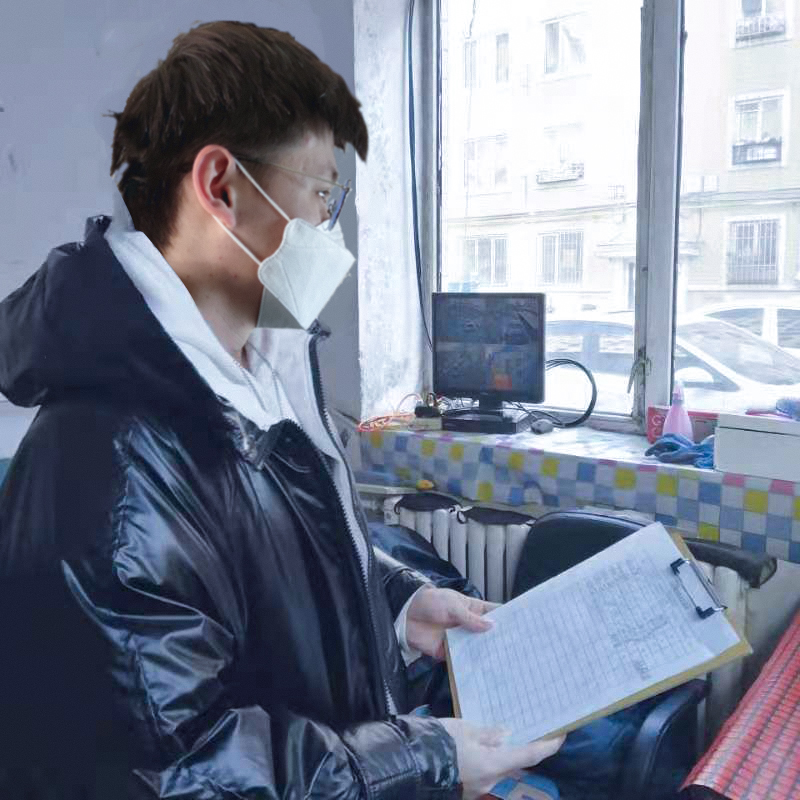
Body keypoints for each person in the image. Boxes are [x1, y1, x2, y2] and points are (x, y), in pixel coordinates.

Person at [0, 21, 563, 799]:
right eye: (322, 194)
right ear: (221, 187)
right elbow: (183, 773)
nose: (332, 231)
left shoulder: (258, 369)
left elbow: (273, 562)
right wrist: (424, 762)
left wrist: (398, 605)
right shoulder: (113, 475)